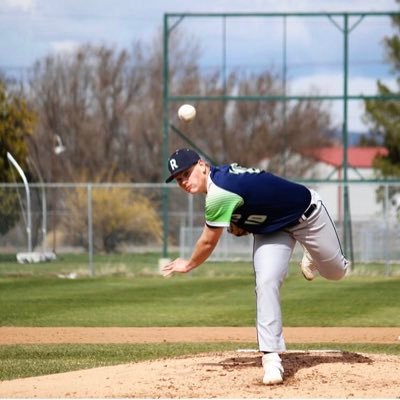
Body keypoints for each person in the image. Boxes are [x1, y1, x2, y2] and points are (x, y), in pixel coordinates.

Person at [161, 148, 350, 385]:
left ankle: (312, 253)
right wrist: (243, 217)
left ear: (202, 165)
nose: (184, 182)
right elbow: (252, 194)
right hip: (272, 230)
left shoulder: (219, 191)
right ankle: (271, 359)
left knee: (336, 273)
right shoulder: (221, 176)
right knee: (266, 282)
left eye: (187, 173)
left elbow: (208, 241)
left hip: (307, 215)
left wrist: (188, 264)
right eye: (179, 179)